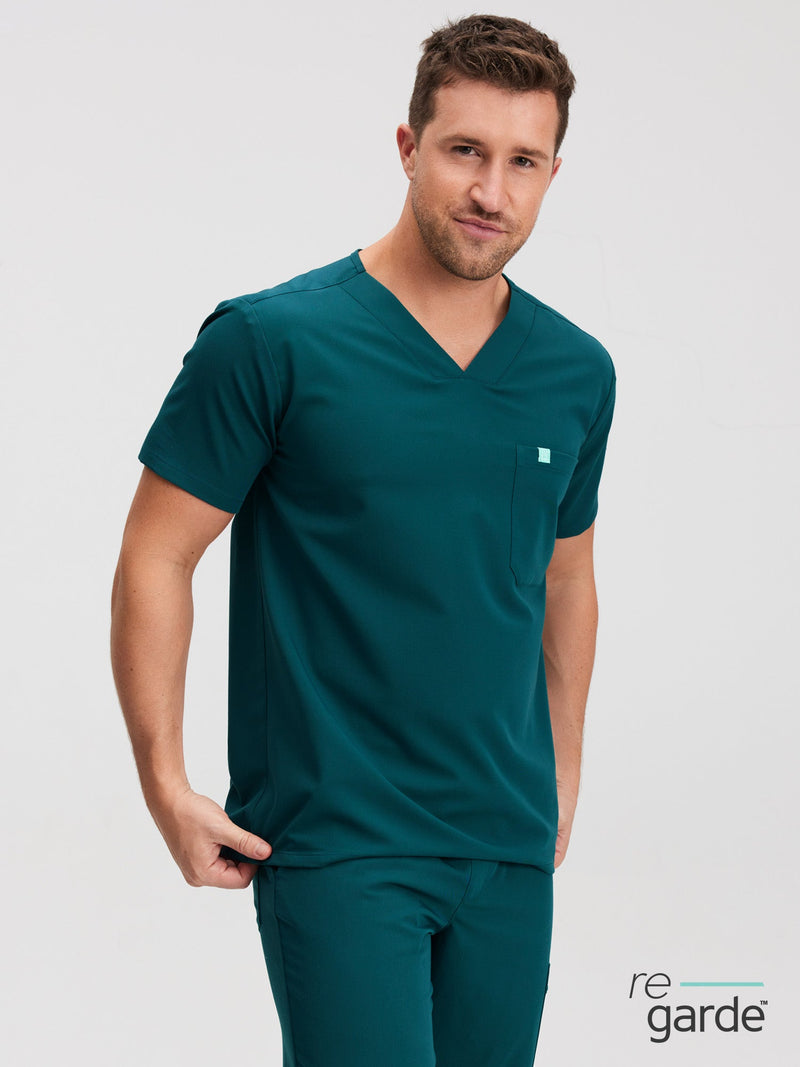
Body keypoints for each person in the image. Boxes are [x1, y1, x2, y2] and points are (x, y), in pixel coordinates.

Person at [111, 13, 616, 1066]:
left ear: (552, 174)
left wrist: (561, 774)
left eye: (522, 161)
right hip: (338, 838)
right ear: (407, 146)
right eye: (465, 150)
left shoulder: (575, 372)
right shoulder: (271, 342)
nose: (491, 191)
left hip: (505, 846)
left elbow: (566, 576)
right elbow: (157, 553)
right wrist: (165, 782)